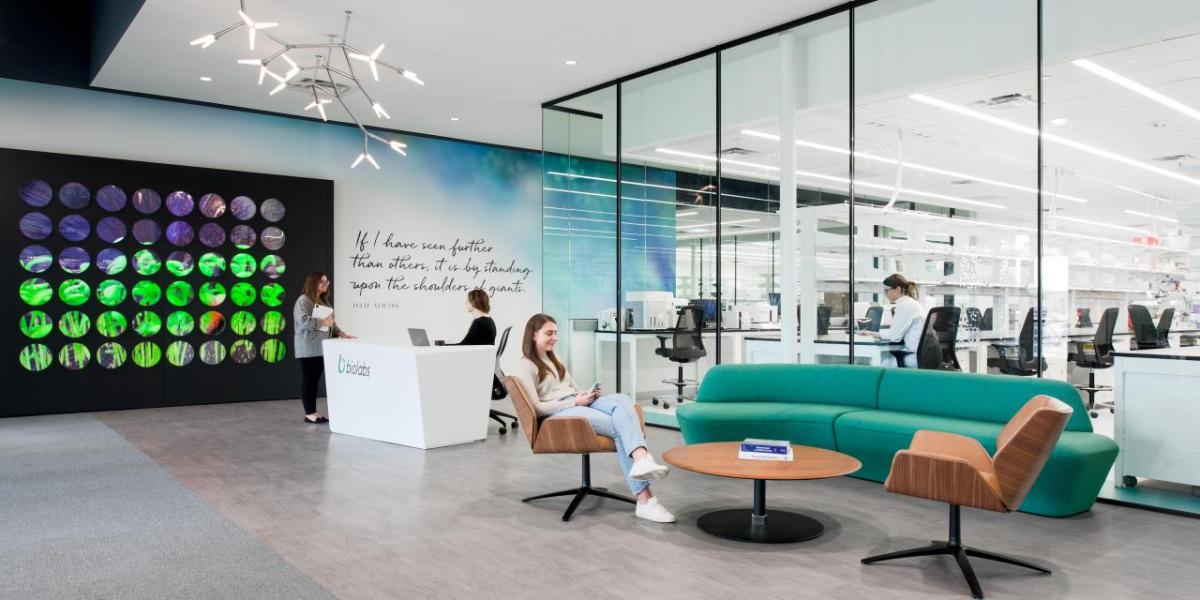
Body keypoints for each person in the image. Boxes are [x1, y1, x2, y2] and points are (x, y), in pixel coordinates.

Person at [515, 313, 676, 523]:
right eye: (548, 333)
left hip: (575, 402)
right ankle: (645, 500)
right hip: (559, 415)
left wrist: (586, 394)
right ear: (533, 335)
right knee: (617, 425)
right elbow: (535, 408)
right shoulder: (525, 365)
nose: (554, 337)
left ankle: (641, 459)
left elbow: (572, 389)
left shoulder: (554, 358)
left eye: (555, 332)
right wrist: (575, 402)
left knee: (622, 399)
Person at [294, 272, 354, 424]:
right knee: (309, 381)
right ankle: (309, 413)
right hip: (308, 348)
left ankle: (313, 412)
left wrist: (340, 333)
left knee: (314, 381)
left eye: (327, 282)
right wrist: (322, 322)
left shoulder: (324, 302)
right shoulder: (303, 300)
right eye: (322, 281)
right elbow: (303, 321)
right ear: (313, 282)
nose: (325, 285)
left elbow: (331, 323)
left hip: (323, 348)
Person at [865, 273, 925, 368]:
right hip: (920, 354)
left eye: (887, 290)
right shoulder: (911, 303)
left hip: (913, 357)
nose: (885, 294)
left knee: (879, 362)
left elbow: (894, 337)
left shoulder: (905, 306)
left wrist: (874, 334)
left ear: (898, 289)